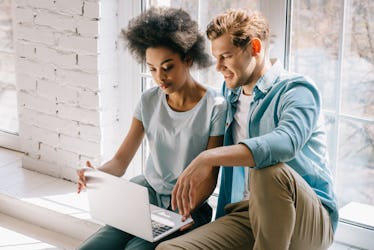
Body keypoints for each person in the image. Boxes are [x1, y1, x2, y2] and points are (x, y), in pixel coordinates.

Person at [157, 8, 338, 250]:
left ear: (254, 48)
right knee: (169, 249)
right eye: (216, 57)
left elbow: (286, 143)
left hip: (307, 218)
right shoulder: (229, 94)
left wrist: (208, 157)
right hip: (248, 213)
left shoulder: (297, 90)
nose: (218, 67)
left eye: (226, 56)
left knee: (267, 171)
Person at [76, 7, 227, 250]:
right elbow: (121, 160)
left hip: (188, 207)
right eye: (153, 68)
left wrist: (185, 211)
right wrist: (95, 176)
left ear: (188, 59)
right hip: (144, 195)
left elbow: (210, 176)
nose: (160, 77)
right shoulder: (148, 100)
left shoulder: (215, 106)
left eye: (168, 67)